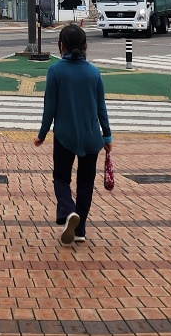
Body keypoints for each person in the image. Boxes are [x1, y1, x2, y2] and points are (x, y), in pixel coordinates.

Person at [34, 23, 112, 246]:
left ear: (62, 45)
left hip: (65, 136)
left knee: (61, 178)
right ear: (85, 46)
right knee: (85, 183)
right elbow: (101, 108)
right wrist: (107, 137)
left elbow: (50, 107)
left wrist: (42, 134)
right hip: (91, 137)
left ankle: (68, 212)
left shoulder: (56, 71)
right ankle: (80, 230)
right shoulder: (94, 72)